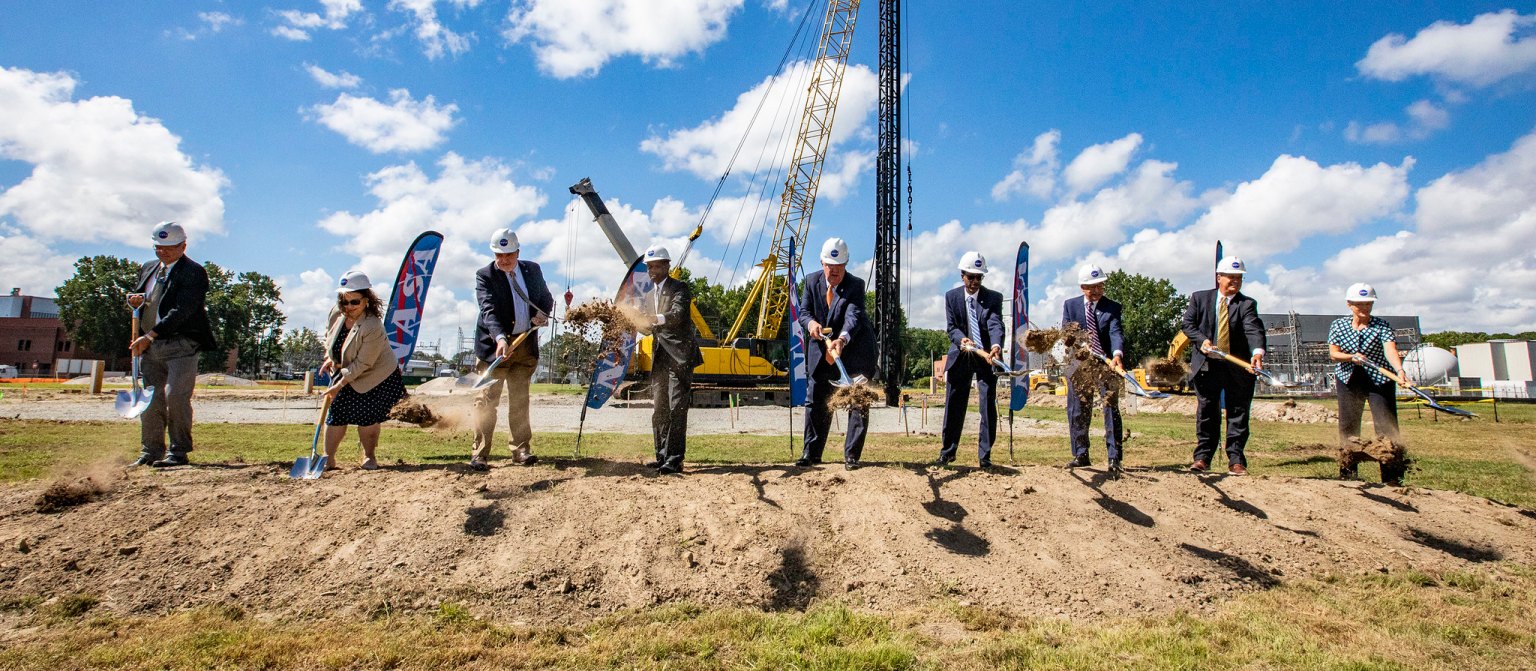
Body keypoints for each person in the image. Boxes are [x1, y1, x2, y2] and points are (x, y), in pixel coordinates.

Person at [126, 222, 218, 467]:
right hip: (150, 347)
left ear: (183, 246)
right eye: (158, 247)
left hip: (181, 344)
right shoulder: (148, 269)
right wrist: (135, 301)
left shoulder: (193, 272)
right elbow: (147, 300)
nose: (162, 252)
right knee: (151, 398)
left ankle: (178, 452)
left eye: (168, 247)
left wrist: (151, 335)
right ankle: (151, 450)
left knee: (175, 396)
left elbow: (182, 311)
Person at [470, 228, 554, 471]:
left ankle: (520, 449)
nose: (503, 260)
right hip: (495, 348)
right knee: (486, 401)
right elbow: (488, 310)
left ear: (518, 251)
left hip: (525, 346)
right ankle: (480, 453)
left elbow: (546, 298)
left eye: (508, 255)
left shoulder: (533, 270)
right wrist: (499, 338)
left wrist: (541, 313)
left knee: (520, 399)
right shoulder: (484, 275)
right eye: (499, 255)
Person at [1180, 256, 1266, 475]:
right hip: (1207, 367)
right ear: (1219, 277)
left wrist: (1257, 352)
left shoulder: (1246, 304)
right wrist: (1202, 340)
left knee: (1238, 412)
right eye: (1231, 277)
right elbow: (1187, 325)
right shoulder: (1200, 299)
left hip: (1237, 368)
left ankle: (1236, 460)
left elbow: (1253, 329)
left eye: (1239, 278)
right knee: (1207, 411)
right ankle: (1202, 458)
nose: (1235, 282)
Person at [796, 237, 877, 470]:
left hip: (854, 352)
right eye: (830, 267)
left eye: (839, 268)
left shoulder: (855, 285)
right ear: (822, 264)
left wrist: (842, 339)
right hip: (820, 353)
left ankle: (851, 455)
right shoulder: (811, 282)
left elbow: (854, 316)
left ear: (846, 264)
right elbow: (804, 311)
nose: (834, 272)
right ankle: (811, 453)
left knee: (857, 400)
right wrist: (811, 324)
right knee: (815, 401)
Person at [318, 271, 405, 471]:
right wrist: (329, 358)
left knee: (367, 415)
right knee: (336, 414)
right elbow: (329, 337)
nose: (348, 307)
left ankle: (369, 457)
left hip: (374, 375)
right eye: (344, 302)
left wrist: (338, 386)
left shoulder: (372, 325)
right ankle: (327, 458)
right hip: (346, 369)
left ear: (366, 300)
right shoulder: (336, 313)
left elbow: (364, 363)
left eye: (354, 302)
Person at [1327, 283, 1411, 485]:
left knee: (1386, 427)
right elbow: (1333, 354)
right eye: (1359, 305)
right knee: (1348, 427)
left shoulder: (1382, 326)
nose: (1364, 308)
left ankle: (1392, 477)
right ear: (1349, 304)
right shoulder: (1338, 325)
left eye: (1368, 304)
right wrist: (1351, 357)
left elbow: (1390, 350)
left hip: (1379, 380)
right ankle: (1348, 474)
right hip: (1348, 378)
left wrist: (1399, 370)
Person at [637, 244, 704, 475]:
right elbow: (648, 328)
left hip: (679, 356)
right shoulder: (647, 296)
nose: (652, 271)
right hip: (660, 358)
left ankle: (675, 458)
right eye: (649, 267)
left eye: (656, 266)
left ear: (667, 266)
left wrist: (654, 317)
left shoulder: (680, 289)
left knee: (677, 407)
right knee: (660, 408)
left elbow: (677, 315)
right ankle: (661, 455)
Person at [939, 251, 1006, 468]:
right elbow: (951, 328)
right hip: (961, 355)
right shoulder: (951, 297)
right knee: (955, 405)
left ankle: (984, 456)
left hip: (986, 357)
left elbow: (996, 324)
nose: (975, 282)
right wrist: (961, 340)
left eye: (979, 277)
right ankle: (947, 453)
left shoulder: (993, 298)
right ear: (962, 275)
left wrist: (996, 345)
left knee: (987, 405)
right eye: (971, 277)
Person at [1062, 264, 1126, 474]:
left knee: (1110, 408)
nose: (1097, 290)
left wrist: (1116, 354)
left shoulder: (1112, 307)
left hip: (1105, 365)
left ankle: (1114, 458)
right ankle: (1081, 454)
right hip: (1079, 366)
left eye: (1100, 285)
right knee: (1078, 410)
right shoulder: (1070, 306)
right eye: (1092, 287)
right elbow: (1066, 334)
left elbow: (1116, 332)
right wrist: (1078, 342)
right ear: (1082, 287)